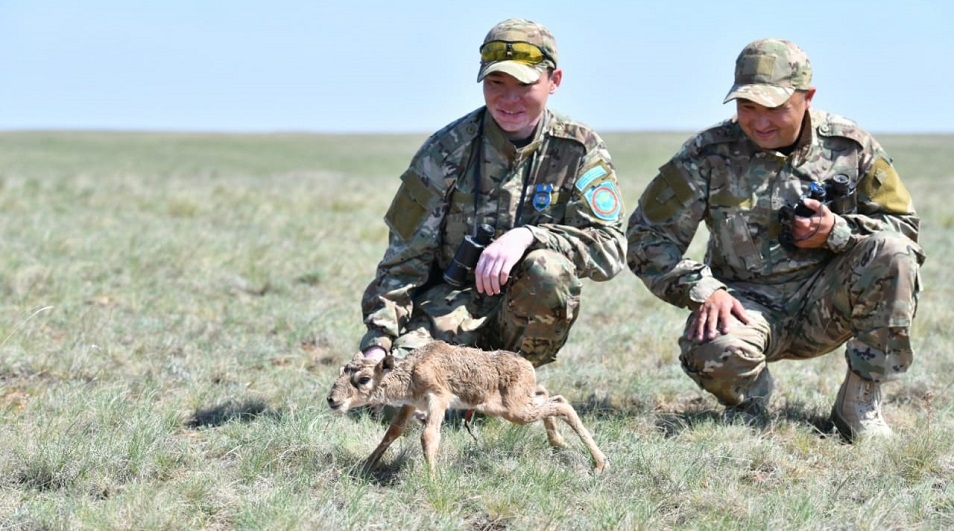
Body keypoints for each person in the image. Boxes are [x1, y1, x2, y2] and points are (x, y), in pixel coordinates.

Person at [625, 38, 924, 441]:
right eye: (747, 107)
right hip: (745, 303)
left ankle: (859, 403)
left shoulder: (850, 147)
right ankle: (752, 398)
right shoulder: (708, 154)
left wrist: (834, 232)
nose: (760, 122)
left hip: (828, 299)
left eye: (775, 108)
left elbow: (903, 229)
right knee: (711, 349)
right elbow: (647, 236)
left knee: (894, 253)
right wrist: (703, 288)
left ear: (807, 97)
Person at [359, 18, 626, 369]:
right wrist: (378, 343)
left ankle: (509, 384)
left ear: (554, 81)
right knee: (396, 397)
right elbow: (403, 262)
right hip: (448, 308)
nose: (509, 99)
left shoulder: (578, 149)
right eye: (496, 83)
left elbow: (611, 247)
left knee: (548, 268)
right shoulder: (445, 151)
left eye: (525, 84)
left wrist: (529, 236)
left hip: (525, 309)